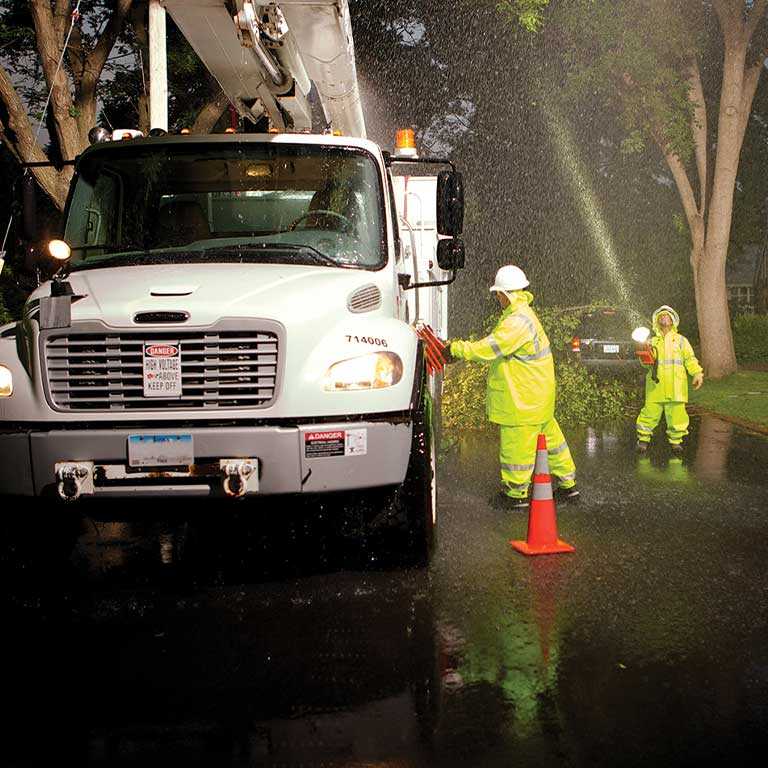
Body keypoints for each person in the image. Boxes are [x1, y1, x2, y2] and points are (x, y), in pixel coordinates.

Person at [445, 265, 578, 510]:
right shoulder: (523, 315)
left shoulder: (517, 321)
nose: (497, 298)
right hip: (538, 397)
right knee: (551, 442)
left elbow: (490, 348)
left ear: (509, 293)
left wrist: (456, 349)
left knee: (516, 447)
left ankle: (516, 495)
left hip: (522, 400)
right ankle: (569, 486)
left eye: (499, 294)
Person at [635, 304, 703, 454]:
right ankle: (643, 440)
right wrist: (644, 354)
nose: (664, 317)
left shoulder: (681, 341)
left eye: (667, 316)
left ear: (673, 321)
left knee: (677, 416)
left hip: (676, 387)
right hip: (656, 386)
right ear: (657, 321)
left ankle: (676, 443)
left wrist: (697, 373)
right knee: (649, 414)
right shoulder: (651, 342)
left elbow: (690, 359)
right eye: (661, 316)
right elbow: (646, 365)